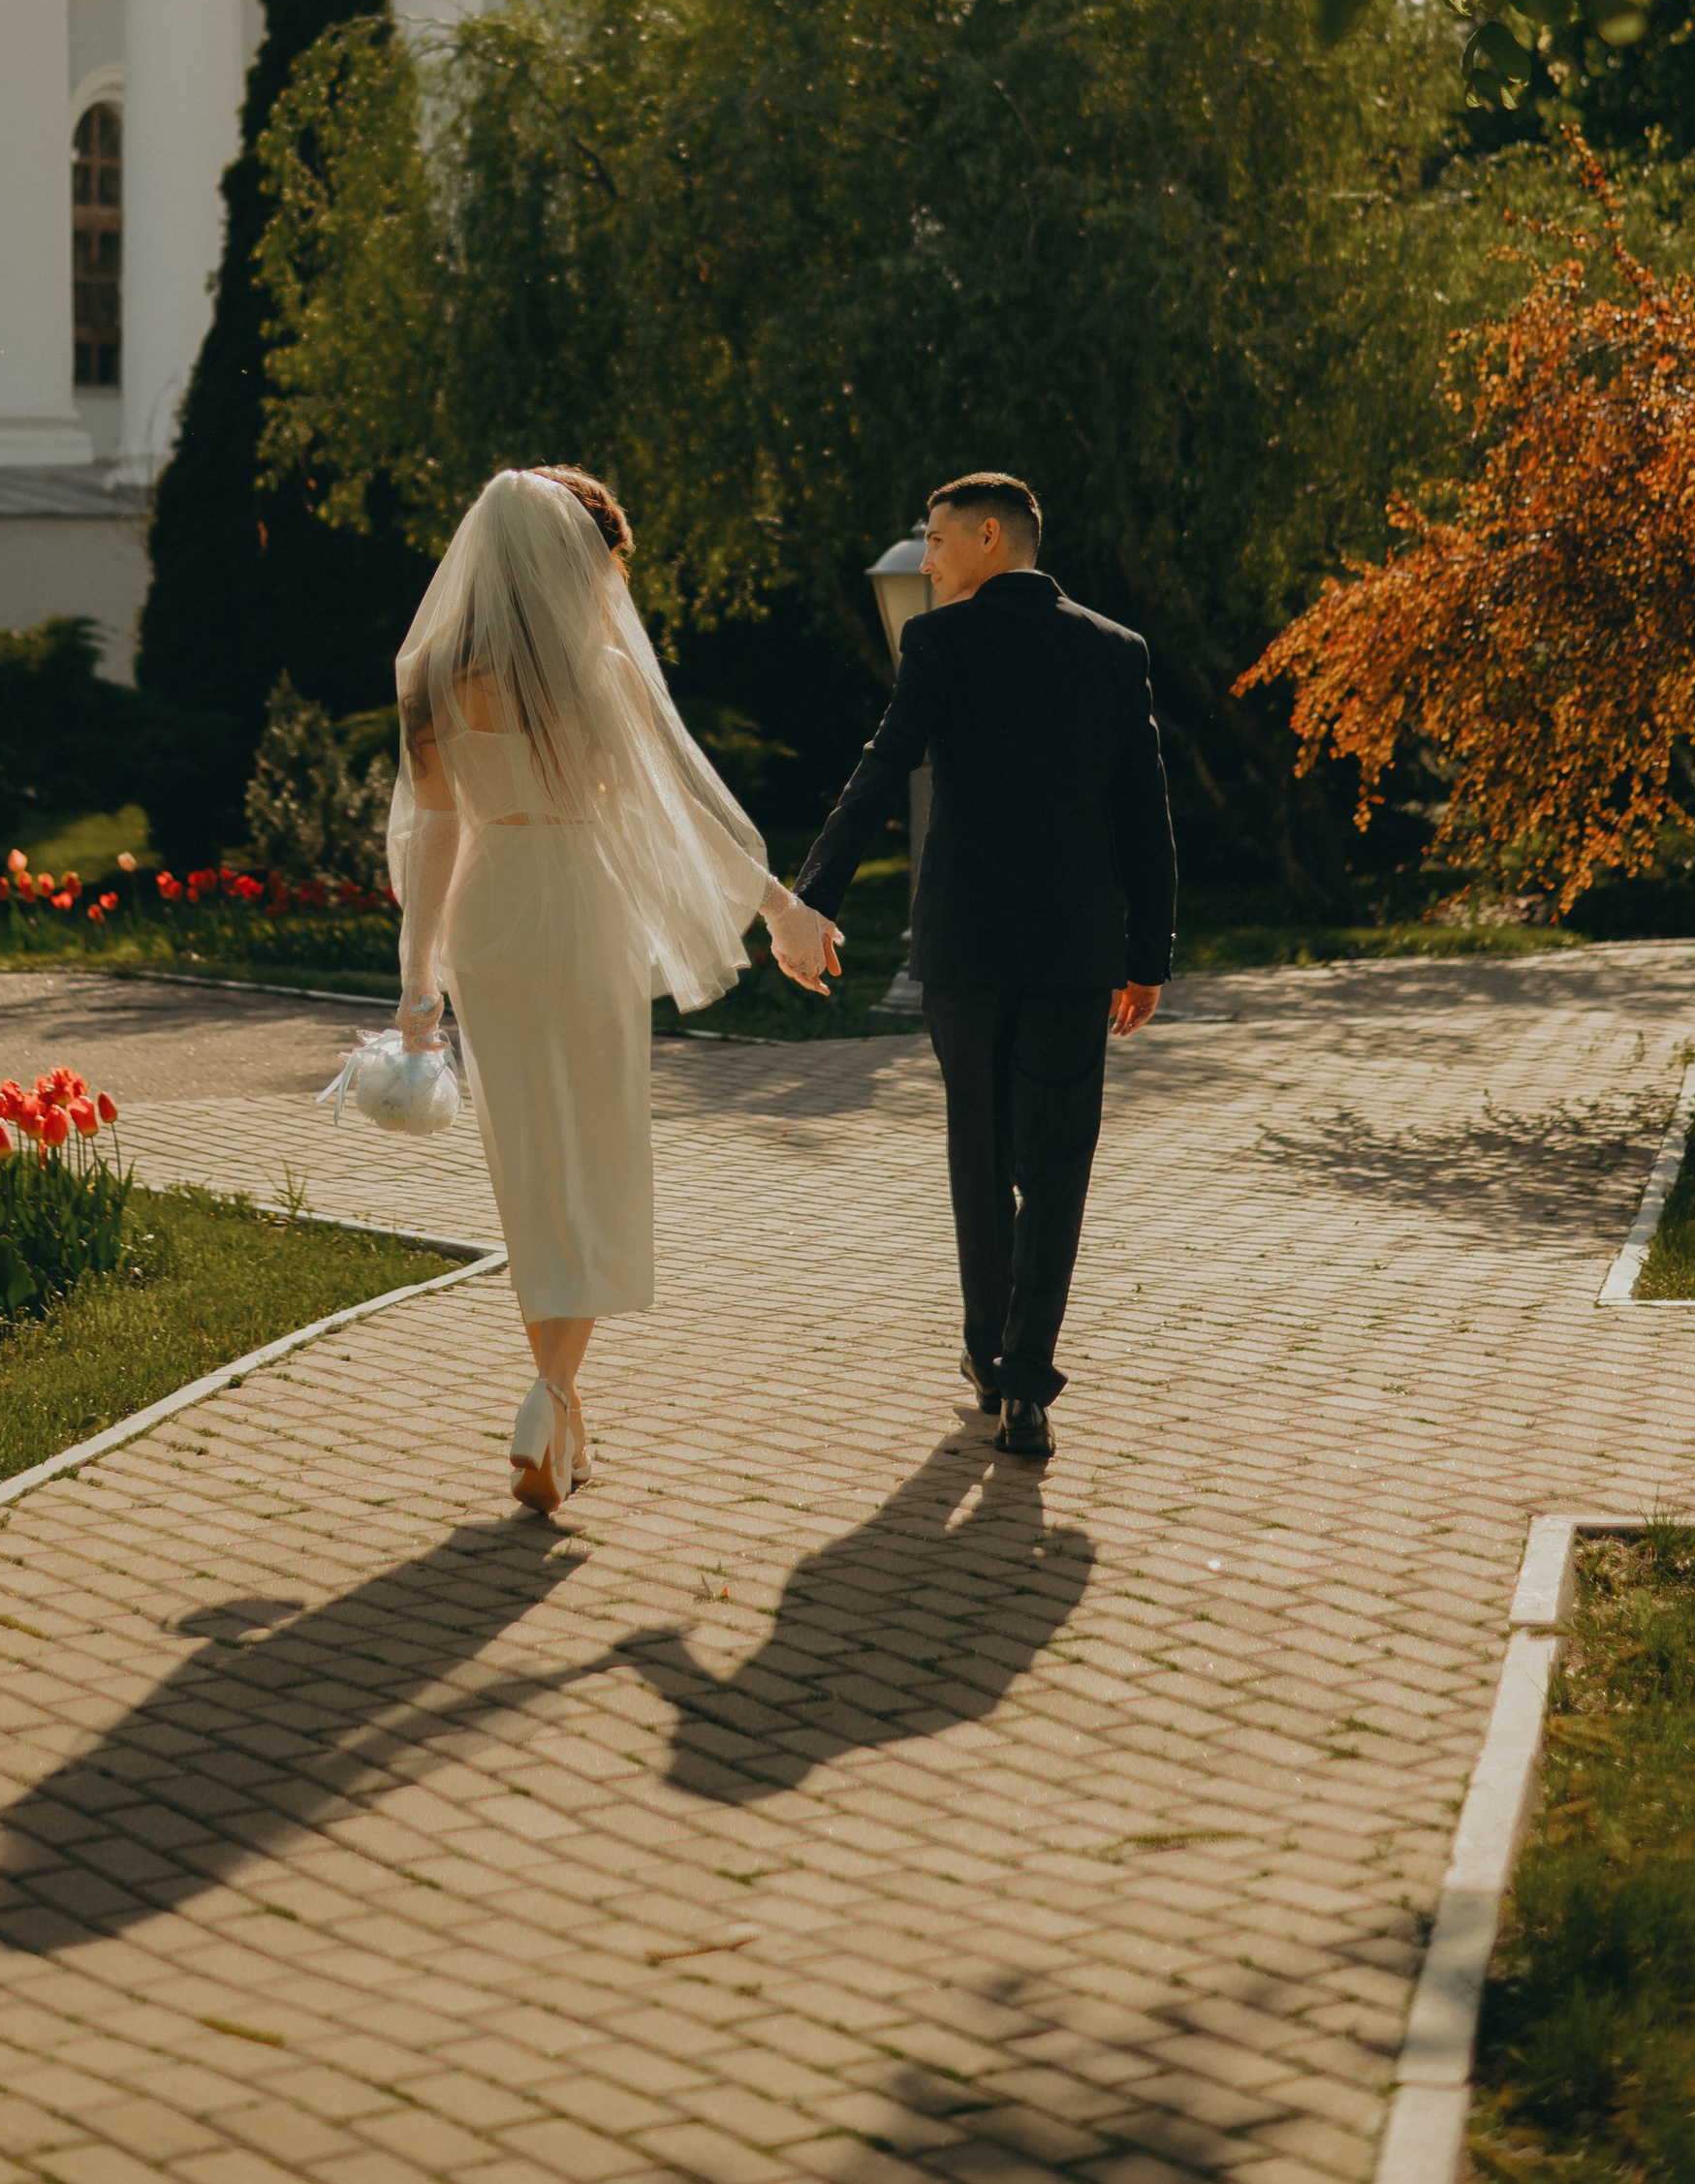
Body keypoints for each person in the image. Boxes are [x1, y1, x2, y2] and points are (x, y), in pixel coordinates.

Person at [392, 465, 841, 1512]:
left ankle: (563, 1426)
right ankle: (547, 1395)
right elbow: (674, 813)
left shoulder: (427, 679)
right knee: (595, 1158)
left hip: (489, 917)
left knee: (530, 1169)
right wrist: (780, 907)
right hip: (581, 909)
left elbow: (434, 837)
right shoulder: (599, 671)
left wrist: (420, 984)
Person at [795, 472, 1176, 1462]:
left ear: (990, 536)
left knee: (979, 1149)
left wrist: (812, 895)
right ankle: (1028, 1383)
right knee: (1054, 1163)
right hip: (1072, 955)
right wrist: (1148, 958)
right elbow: (1147, 817)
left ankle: (987, 1355)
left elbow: (883, 765)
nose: (925, 559)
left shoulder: (939, 643)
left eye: (934, 537)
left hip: (962, 950)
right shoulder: (1115, 651)